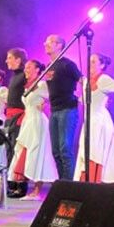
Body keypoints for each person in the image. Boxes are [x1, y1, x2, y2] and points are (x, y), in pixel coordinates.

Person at [9, 60, 58, 200]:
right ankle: (26, 187)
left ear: (37, 70)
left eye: (29, 67)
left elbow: (53, 96)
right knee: (25, 152)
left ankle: (37, 191)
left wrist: (46, 105)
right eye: (25, 67)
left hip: (37, 121)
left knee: (38, 153)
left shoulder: (42, 84)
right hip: (28, 120)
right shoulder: (29, 85)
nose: (26, 70)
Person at [74, 53, 114, 183]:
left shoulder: (103, 79)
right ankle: (85, 182)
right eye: (89, 61)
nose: (90, 64)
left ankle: (94, 181)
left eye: (94, 62)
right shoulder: (86, 81)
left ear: (102, 65)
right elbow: (83, 99)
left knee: (95, 151)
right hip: (89, 121)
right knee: (86, 151)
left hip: (99, 121)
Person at [44, 34, 81, 180]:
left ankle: (69, 185)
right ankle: (62, 181)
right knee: (56, 151)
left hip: (67, 110)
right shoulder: (48, 66)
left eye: (50, 42)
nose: (46, 44)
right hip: (54, 111)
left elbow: (82, 80)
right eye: (46, 42)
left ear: (59, 45)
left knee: (65, 149)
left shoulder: (67, 64)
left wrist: (84, 97)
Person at [5, 48, 29, 198]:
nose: (6, 60)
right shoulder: (14, 77)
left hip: (19, 116)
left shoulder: (23, 76)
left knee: (18, 150)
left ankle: (20, 184)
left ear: (18, 60)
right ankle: (11, 182)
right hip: (10, 117)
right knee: (10, 150)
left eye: (9, 58)